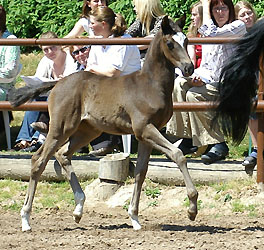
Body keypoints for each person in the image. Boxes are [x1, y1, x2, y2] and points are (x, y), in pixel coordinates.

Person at [166, 0, 246, 164]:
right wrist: (196, 77)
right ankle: (187, 138)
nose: (220, 12)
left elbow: (213, 35)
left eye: (224, 8)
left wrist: (206, 5)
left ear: (230, 10)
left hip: (229, 83)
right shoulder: (210, 31)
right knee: (179, 84)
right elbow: (207, 65)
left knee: (195, 95)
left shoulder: (238, 26)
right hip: (211, 79)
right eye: (216, 9)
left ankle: (218, 143)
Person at [82, 6, 141, 156]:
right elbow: (90, 67)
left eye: (92, 23)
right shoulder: (98, 41)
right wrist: (93, 70)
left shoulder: (124, 41)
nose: (89, 26)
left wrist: (93, 70)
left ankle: (104, 143)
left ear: (103, 24)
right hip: (106, 85)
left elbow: (113, 73)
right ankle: (64, 131)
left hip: (128, 89)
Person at [13, 31, 77, 152]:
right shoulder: (46, 61)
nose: (49, 52)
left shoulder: (70, 58)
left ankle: (38, 138)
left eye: (52, 48)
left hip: (66, 96)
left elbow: (71, 82)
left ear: (59, 45)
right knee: (34, 99)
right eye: (45, 50)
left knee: (49, 99)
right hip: (51, 93)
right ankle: (24, 139)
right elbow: (38, 79)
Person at [234, 1, 258, 169]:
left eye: (248, 13)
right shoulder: (238, 37)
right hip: (253, 82)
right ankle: (257, 149)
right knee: (251, 101)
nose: (247, 17)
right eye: (242, 14)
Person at [187, 1, 203, 69]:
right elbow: (192, 60)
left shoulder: (214, 34)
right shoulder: (192, 35)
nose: (191, 18)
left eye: (194, 15)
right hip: (196, 73)